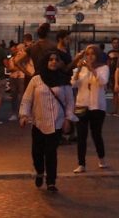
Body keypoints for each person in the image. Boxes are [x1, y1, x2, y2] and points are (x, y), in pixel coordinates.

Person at [19, 50, 77, 192]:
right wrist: (24, 115)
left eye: (56, 60)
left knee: (51, 152)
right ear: (46, 62)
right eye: (50, 59)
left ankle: (51, 181)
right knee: (37, 152)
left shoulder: (64, 81)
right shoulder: (36, 80)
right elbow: (27, 99)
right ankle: (39, 171)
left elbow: (70, 102)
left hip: (56, 122)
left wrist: (68, 119)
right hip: (38, 122)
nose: (53, 62)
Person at [70, 44, 109, 172]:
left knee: (96, 133)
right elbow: (73, 84)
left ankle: (101, 158)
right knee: (81, 135)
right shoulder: (80, 69)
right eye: (87, 54)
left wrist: (92, 69)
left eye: (92, 54)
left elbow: (102, 81)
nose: (90, 56)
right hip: (82, 104)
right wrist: (78, 70)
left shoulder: (103, 67)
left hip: (97, 106)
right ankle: (81, 163)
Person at [106, 38, 119, 115]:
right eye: (114, 43)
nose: (115, 44)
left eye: (117, 42)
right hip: (112, 75)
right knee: (115, 93)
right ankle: (115, 110)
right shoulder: (109, 53)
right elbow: (108, 64)